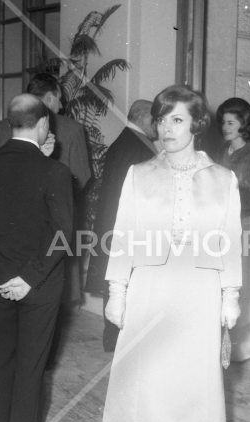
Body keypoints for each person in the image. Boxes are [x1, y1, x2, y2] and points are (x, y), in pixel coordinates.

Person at [93, 85, 242, 422]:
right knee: (147, 393)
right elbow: (123, 235)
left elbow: (230, 243)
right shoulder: (139, 174)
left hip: (198, 295)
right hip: (150, 291)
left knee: (191, 396)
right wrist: (116, 291)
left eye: (175, 119)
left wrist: (229, 297)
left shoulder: (224, 179)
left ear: (197, 124)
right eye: (160, 120)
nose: (165, 128)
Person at [0, 94, 73, 422]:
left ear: (10, 122)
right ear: (44, 123)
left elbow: (14, 186)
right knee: (31, 359)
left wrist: (36, 159)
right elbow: (62, 235)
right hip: (38, 282)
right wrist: (31, 278)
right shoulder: (56, 172)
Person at [85, 100, 157, 352]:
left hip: (113, 222)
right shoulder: (139, 146)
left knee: (115, 280)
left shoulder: (125, 140)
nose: (159, 126)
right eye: (156, 119)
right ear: (145, 119)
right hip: (128, 226)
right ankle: (120, 341)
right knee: (125, 282)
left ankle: (113, 339)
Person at [216, 97, 250, 361]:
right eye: (224, 122)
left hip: (248, 224)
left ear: (243, 125)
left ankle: (249, 346)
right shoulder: (222, 153)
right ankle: (228, 344)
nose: (225, 127)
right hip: (227, 225)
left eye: (231, 122)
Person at [0, 73, 90, 193]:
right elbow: (82, 179)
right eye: (59, 98)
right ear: (50, 97)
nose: (62, 105)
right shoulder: (73, 129)